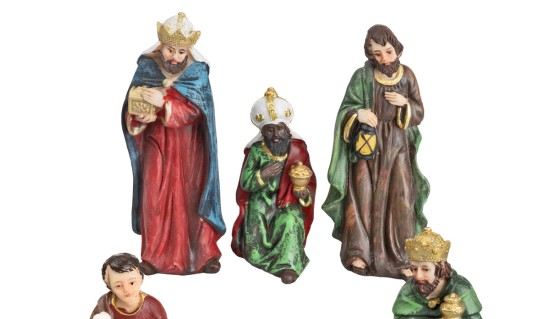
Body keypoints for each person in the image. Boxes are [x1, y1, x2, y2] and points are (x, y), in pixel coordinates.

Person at [323, 24, 430, 279]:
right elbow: (345, 109)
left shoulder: (407, 76)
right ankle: (358, 252)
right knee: (362, 195)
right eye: (377, 53)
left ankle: (402, 257)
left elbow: (419, 111)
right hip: (366, 144)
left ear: (397, 49)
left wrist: (405, 104)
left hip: (396, 145)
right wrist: (358, 114)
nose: (384, 58)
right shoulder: (362, 76)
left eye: (388, 52)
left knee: (402, 197)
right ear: (370, 54)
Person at [122, 12, 225, 276]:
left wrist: (164, 104)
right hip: (157, 143)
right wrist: (141, 116)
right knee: (154, 196)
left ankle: (203, 255)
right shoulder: (147, 67)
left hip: (190, 147)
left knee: (193, 196)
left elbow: (199, 111)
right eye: (170, 50)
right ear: (161, 46)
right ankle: (153, 256)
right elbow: (132, 106)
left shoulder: (197, 72)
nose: (175, 58)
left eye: (181, 52)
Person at [231, 88, 316, 284]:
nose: (275, 134)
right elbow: (245, 182)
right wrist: (262, 174)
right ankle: (258, 257)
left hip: (288, 200)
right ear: (262, 132)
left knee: (290, 220)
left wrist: (304, 193)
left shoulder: (298, 150)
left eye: (279, 129)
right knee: (256, 223)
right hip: (260, 200)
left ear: (287, 130)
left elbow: (310, 181)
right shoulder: (256, 151)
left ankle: (288, 265)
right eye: (270, 130)